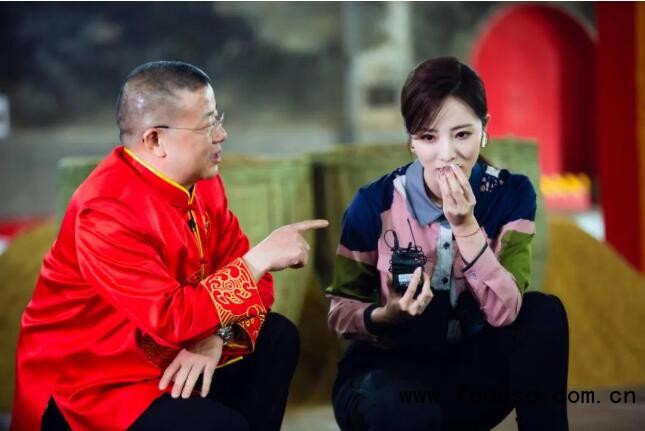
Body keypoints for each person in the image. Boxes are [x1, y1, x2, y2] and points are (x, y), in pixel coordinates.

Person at [11, 61, 328, 431]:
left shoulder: (203, 183)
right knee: (221, 426)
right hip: (96, 383)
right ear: (155, 140)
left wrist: (217, 337)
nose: (222, 134)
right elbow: (171, 317)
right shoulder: (105, 210)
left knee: (277, 338)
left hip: (171, 354)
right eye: (207, 125)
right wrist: (259, 259)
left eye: (218, 118)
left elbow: (258, 288)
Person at [326, 57, 569, 430]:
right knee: (398, 407)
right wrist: (387, 315)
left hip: (469, 376)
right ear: (412, 141)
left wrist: (466, 227)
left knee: (543, 313)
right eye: (428, 137)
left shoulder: (511, 194)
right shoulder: (374, 203)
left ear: (484, 130)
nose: (446, 154)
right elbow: (340, 311)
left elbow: (506, 312)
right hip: (389, 373)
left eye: (462, 134)